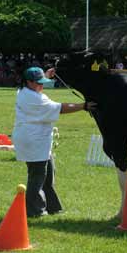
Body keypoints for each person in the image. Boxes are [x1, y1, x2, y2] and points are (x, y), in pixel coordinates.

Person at [12, 67, 95, 218]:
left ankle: (52, 207)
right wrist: (83, 106)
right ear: (29, 82)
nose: (42, 86)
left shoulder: (24, 91)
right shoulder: (35, 99)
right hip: (33, 141)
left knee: (49, 173)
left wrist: (46, 75)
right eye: (39, 83)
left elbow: (39, 83)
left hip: (37, 140)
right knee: (37, 176)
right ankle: (35, 211)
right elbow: (61, 108)